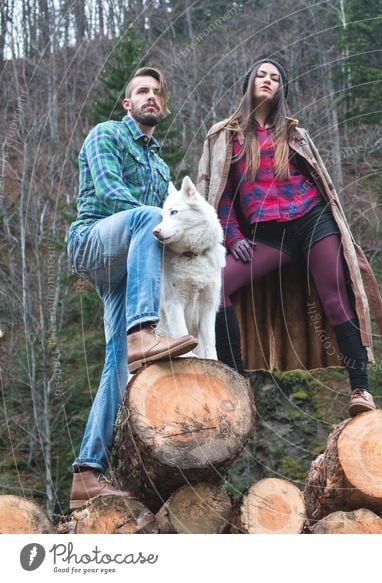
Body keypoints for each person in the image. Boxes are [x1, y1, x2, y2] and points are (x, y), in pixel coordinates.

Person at [196, 58, 382, 417]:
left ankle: (361, 390)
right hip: (268, 234)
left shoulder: (293, 133)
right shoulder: (225, 135)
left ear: (281, 88)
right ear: (249, 82)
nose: (268, 80)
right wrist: (232, 235)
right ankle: (237, 383)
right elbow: (219, 194)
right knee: (216, 284)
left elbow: (320, 183)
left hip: (313, 220)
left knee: (335, 297)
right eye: (262, 75)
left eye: (275, 77)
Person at [66, 67, 197, 507]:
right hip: (93, 242)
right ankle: (143, 332)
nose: (151, 97)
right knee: (147, 218)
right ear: (128, 103)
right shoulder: (106, 134)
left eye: (158, 92)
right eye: (142, 91)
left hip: (128, 271)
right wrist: (163, 224)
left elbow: (167, 230)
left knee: (115, 365)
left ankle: (86, 472)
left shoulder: (161, 168)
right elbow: (108, 193)